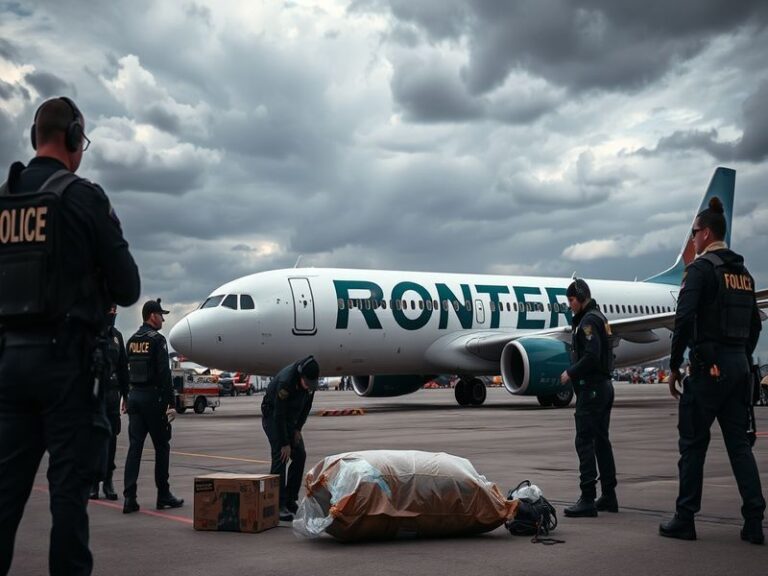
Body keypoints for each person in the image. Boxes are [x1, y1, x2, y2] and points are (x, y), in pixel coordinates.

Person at [0, 96, 140, 576]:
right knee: (68, 500)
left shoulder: (5, 201)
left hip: (8, 367)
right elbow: (128, 287)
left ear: (34, 136)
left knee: (4, 500)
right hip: (65, 367)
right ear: (77, 137)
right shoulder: (83, 197)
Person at [660, 197, 765, 544]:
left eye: (693, 234)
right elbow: (755, 326)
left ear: (705, 233)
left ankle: (685, 518)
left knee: (692, 446)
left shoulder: (701, 271)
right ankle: (753, 521)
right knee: (739, 447)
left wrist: (675, 367)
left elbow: (684, 319)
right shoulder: (744, 275)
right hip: (738, 368)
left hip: (708, 370)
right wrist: (740, 357)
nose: (692, 240)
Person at [559, 278, 618, 518]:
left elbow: (592, 355)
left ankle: (587, 498)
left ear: (581, 297)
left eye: (571, 300)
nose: (570, 305)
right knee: (601, 441)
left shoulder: (589, 321)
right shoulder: (599, 317)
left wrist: (569, 373)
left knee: (584, 441)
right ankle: (609, 496)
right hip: (603, 387)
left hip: (592, 389)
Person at [123, 299, 183, 514]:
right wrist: (171, 403)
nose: (163, 319)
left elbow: (125, 371)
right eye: (161, 315)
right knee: (162, 446)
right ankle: (163, 495)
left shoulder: (131, 340)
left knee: (134, 449)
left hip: (134, 397)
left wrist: (126, 396)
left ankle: (129, 498)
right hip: (153, 400)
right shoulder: (157, 340)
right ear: (151, 316)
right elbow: (164, 375)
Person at [261, 356, 319, 521]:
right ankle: (277, 504)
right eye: (306, 383)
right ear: (300, 376)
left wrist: (298, 429)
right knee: (281, 456)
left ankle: (290, 499)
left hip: (291, 420)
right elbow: (278, 414)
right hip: (273, 417)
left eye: (311, 384)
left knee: (300, 455)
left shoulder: (310, 381)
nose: (308, 387)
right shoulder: (286, 382)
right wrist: (285, 443)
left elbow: (307, 406)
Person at [90, 304, 129, 501]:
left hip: (113, 397)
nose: (113, 312)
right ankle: (93, 483)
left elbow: (123, 367)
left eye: (115, 309)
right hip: (95, 396)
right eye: (110, 309)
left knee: (112, 439)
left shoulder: (117, 337)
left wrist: (126, 396)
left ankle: (108, 480)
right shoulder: (90, 333)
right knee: (94, 439)